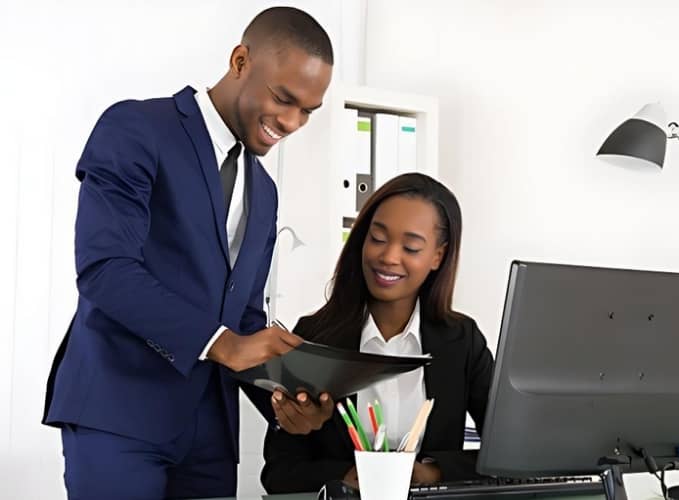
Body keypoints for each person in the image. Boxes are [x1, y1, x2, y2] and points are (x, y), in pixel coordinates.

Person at [42, 7, 335, 499]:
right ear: (240, 61)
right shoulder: (136, 128)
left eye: (308, 110)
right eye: (284, 98)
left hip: (209, 436)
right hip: (119, 412)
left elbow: (243, 318)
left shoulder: (265, 192)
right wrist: (222, 343)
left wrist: (285, 399)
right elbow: (105, 269)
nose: (291, 122)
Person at [261, 173, 495, 494]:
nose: (388, 257)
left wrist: (433, 472)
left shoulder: (462, 341)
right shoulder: (314, 337)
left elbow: (509, 457)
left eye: (411, 247)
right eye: (378, 238)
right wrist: (346, 476)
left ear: (437, 257)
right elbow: (278, 472)